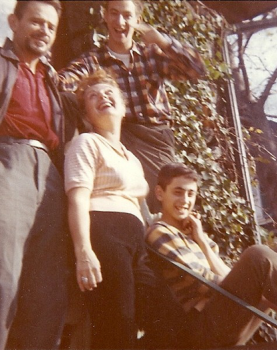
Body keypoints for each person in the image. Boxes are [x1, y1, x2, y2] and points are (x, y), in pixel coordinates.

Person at [0, 1, 72, 349]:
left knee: (47, 295)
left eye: (50, 27)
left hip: (50, 181)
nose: (44, 31)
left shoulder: (53, 81)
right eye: (36, 22)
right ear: (13, 22)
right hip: (4, 165)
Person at [65, 69, 188, 349]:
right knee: (117, 326)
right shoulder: (86, 143)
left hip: (136, 243)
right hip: (103, 234)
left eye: (109, 94)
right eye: (93, 97)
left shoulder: (131, 158)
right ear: (86, 115)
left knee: (169, 320)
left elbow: (141, 209)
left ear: (123, 108)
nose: (102, 98)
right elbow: (77, 200)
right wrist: (83, 252)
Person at [59, 0, 205, 213]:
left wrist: (164, 42)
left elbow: (196, 70)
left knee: (163, 205)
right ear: (105, 16)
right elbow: (65, 81)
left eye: (127, 15)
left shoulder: (152, 55)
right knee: (121, 202)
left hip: (153, 139)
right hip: (115, 136)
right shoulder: (94, 60)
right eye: (114, 13)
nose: (120, 21)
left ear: (137, 20)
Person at [146, 162, 277, 349]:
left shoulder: (193, 235)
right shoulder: (159, 233)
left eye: (191, 194)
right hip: (202, 331)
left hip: (223, 318)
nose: (185, 200)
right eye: (178, 192)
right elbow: (206, 284)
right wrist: (260, 292)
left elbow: (228, 277)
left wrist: (203, 242)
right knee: (258, 255)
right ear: (159, 193)